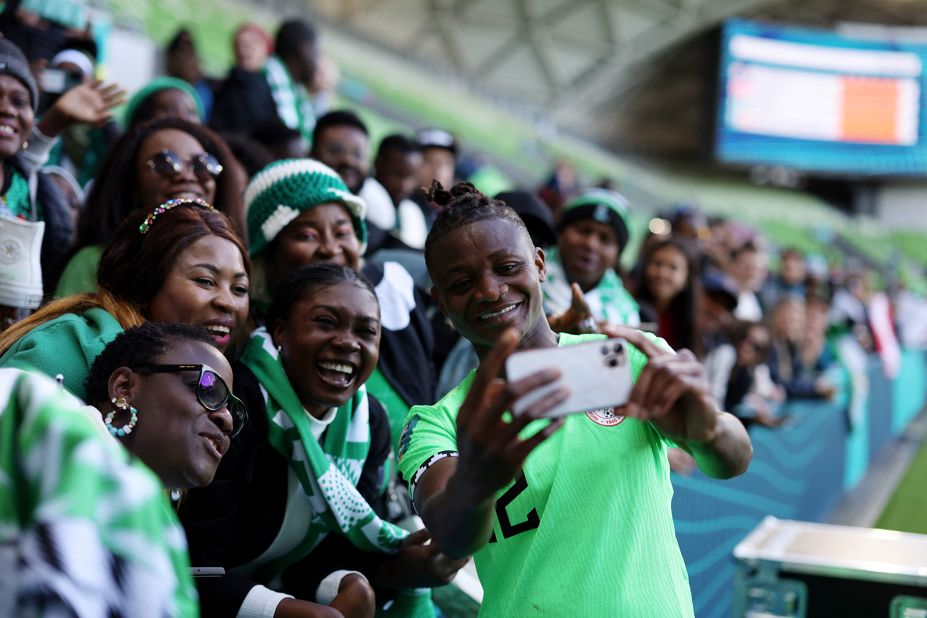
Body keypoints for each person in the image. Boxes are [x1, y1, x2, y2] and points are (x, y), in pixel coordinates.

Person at [397, 182, 752, 617]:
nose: (490, 291)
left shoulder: (625, 359)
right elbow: (450, 535)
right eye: (462, 282)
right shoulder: (437, 422)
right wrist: (475, 483)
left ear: (540, 265)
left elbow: (731, 462)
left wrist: (709, 432)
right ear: (441, 302)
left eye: (507, 266)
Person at [180, 263, 463, 617]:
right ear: (280, 330)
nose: (347, 343)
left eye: (366, 331)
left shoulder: (367, 421)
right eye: (326, 323)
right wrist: (292, 611)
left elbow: (331, 555)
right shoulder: (236, 404)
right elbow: (196, 568)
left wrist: (346, 584)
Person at [0, 321, 243, 617]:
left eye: (234, 409)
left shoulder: (162, 530)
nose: (227, 420)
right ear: (124, 387)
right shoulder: (32, 424)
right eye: (207, 388)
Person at [244, 159, 436, 453]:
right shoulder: (250, 340)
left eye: (342, 232)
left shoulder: (391, 289)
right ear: (267, 250)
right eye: (307, 235)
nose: (331, 248)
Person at [0, 198, 250, 399]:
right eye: (205, 281)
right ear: (145, 280)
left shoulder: (215, 381)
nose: (227, 302)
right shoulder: (70, 348)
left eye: (239, 289)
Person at [55, 116, 244, 296]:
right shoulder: (92, 261)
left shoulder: (234, 260)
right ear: (131, 186)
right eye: (166, 163)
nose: (187, 176)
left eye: (203, 164)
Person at [542, 188, 641, 329]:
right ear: (561, 232)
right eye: (583, 230)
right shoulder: (525, 272)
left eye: (605, 239)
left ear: (617, 255)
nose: (590, 244)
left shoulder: (625, 315)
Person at [211, 19, 319, 144]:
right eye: (316, 51)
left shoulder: (297, 94)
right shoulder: (248, 84)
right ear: (304, 50)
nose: (318, 60)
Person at [633, 236, 701, 354]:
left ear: (687, 279)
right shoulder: (627, 308)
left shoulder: (689, 323)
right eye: (657, 264)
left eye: (672, 268)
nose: (662, 273)